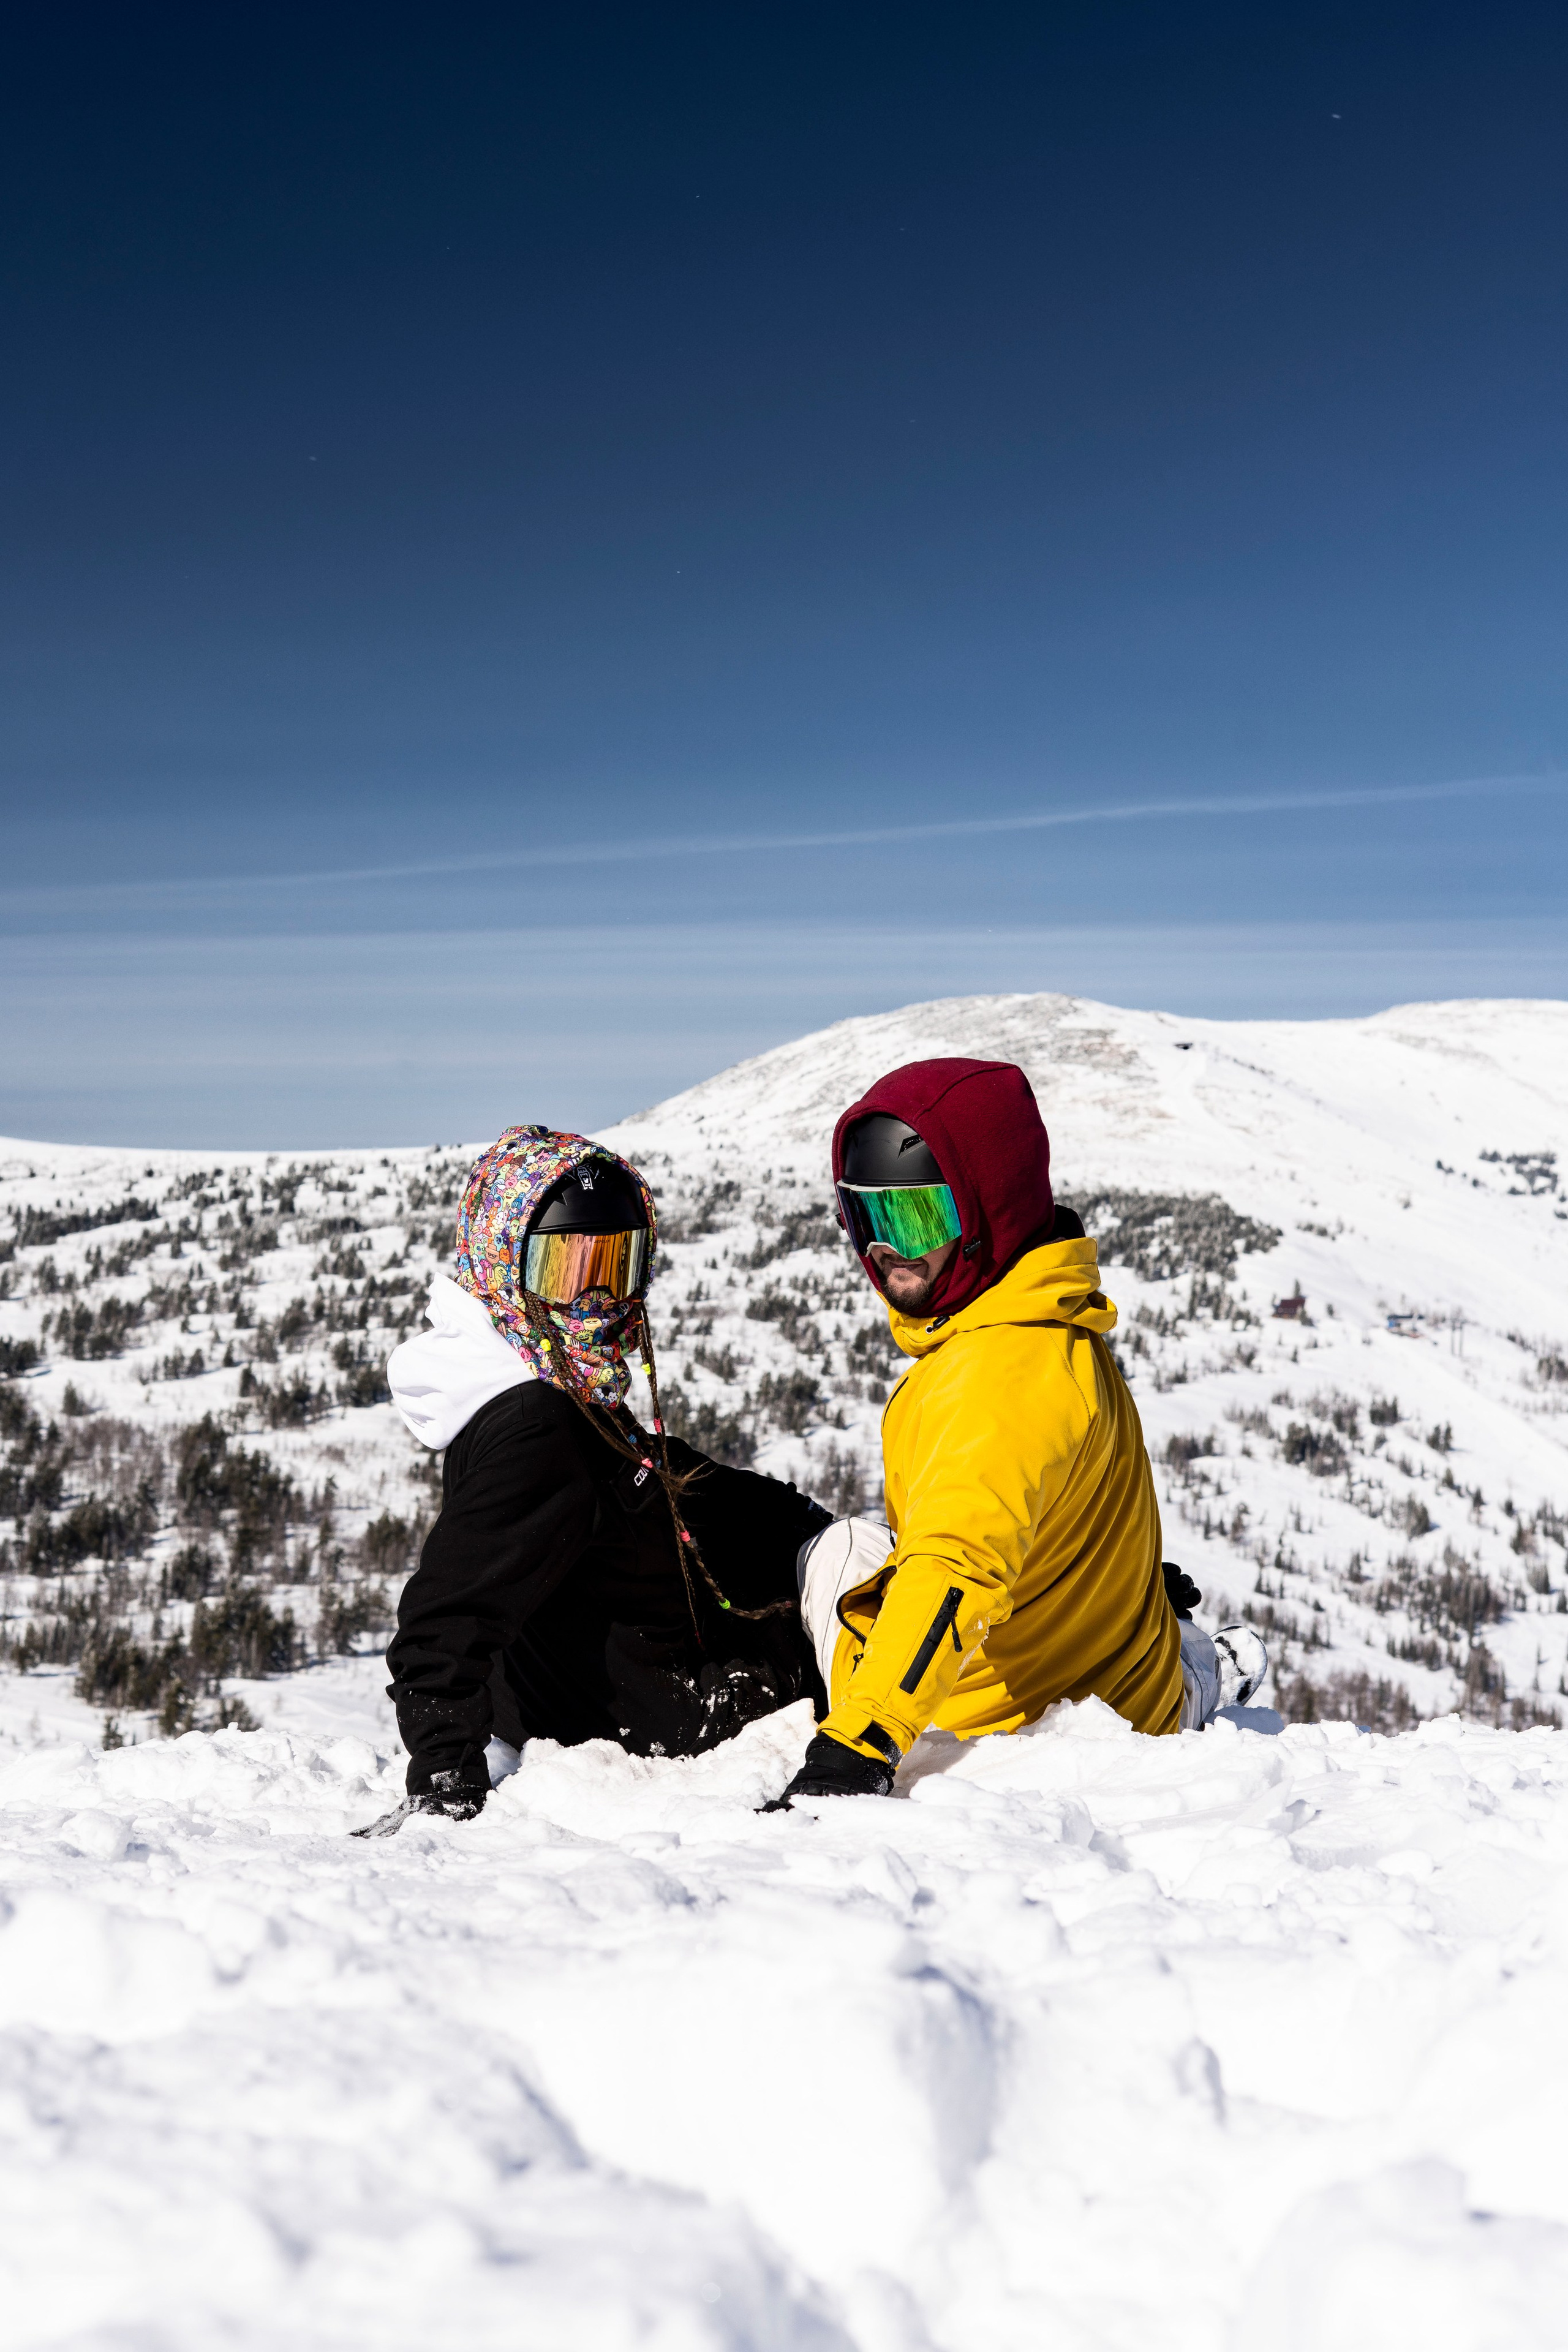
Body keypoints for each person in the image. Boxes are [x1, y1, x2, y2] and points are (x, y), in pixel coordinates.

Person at [771, 1057, 1266, 1807]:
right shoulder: (1050, 1321)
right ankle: (1200, 1658)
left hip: (1008, 1730)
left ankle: (1208, 1669)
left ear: (987, 1207)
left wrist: (856, 1746)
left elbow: (954, 1569)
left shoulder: (994, 1374)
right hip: (1121, 1680)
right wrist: (1116, 1585)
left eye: (913, 1218)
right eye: (865, 1217)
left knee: (842, 1550)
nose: (883, 1249)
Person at [358, 1125, 829, 1834]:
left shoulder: (533, 1384)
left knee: (816, 1550)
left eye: (619, 1261)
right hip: (660, 1718)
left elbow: (654, 1473)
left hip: (608, 1689)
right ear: (503, 1264)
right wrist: (444, 1775)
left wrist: (796, 1521)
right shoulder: (537, 1424)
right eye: (569, 1268)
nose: (599, 1294)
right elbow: (444, 1616)